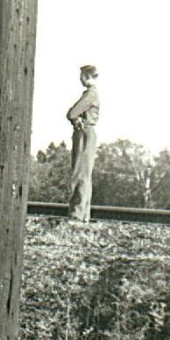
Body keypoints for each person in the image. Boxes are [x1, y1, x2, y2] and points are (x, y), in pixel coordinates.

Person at [66, 64, 101, 222]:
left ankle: (77, 214)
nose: (80, 79)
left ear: (86, 76)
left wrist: (76, 118)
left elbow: (72, 112)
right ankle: (82, 215)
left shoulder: (90, 94)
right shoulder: (92, 94)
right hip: (87, 132)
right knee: (84, 175)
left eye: (81, 76)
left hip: (84, 133)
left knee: (80, 174)